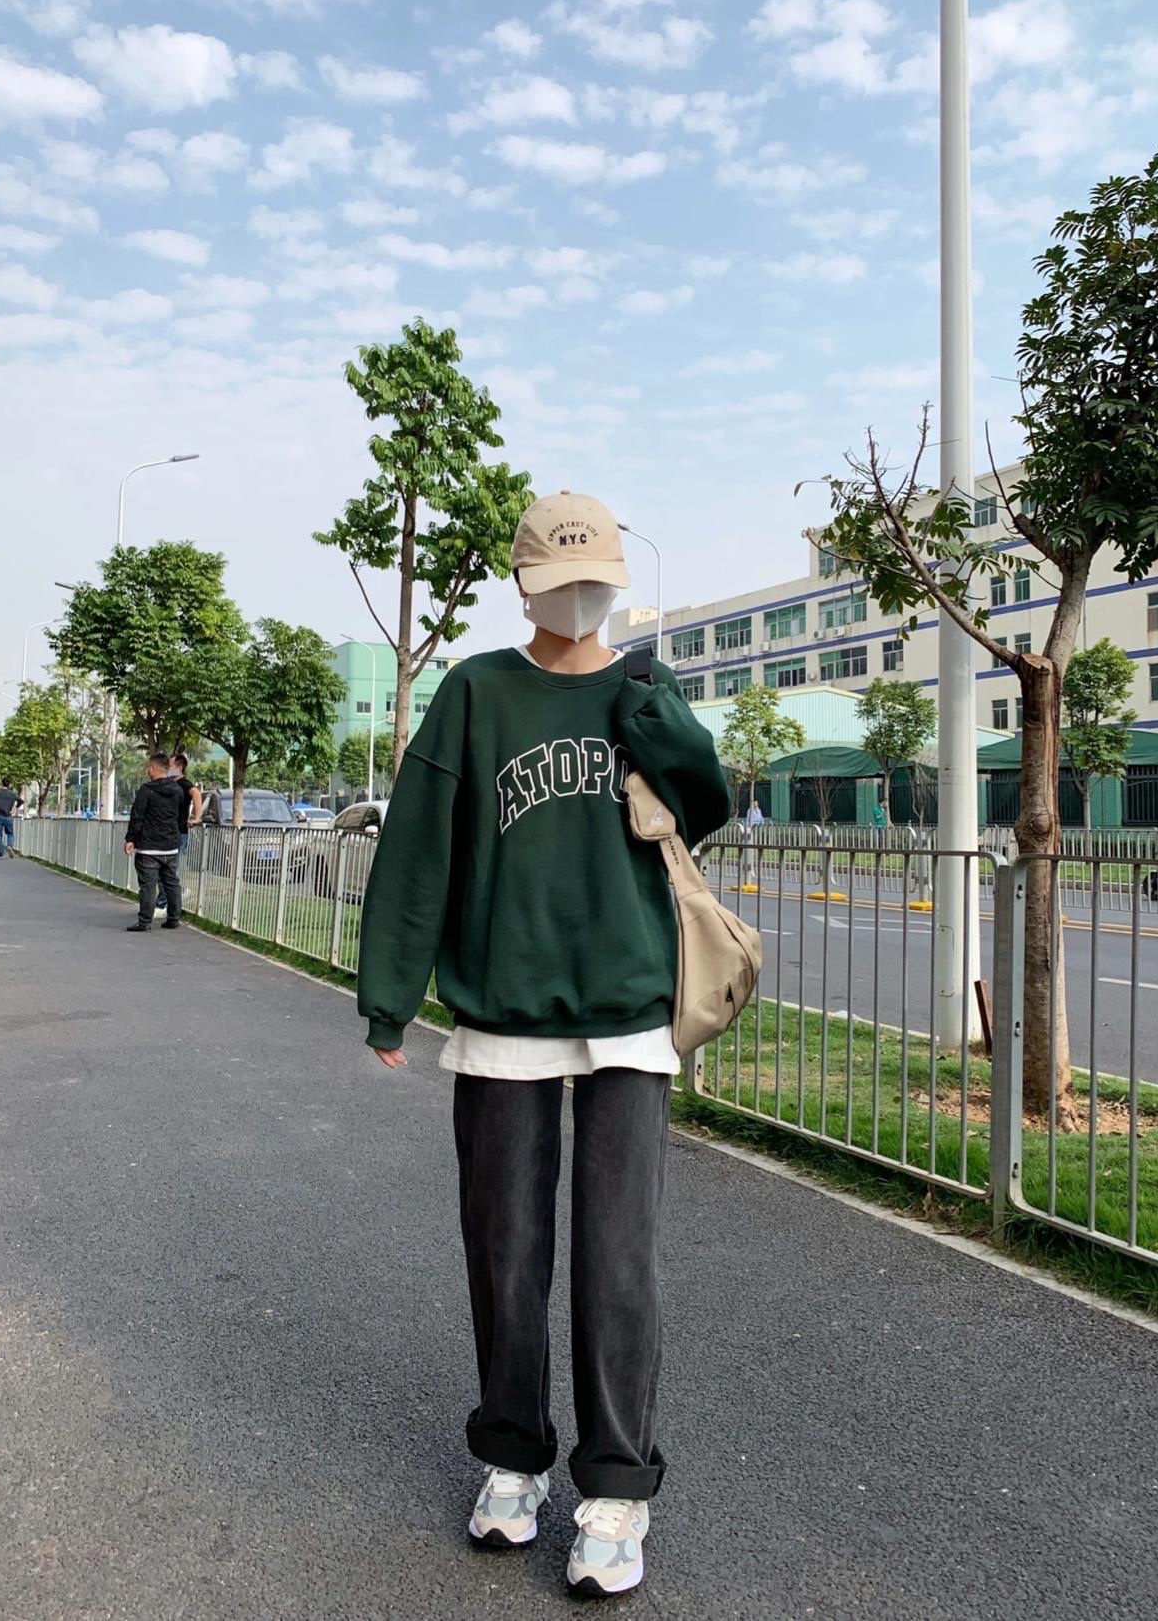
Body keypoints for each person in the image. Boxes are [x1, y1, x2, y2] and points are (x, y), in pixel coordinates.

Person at [357, 491, 731, 1599]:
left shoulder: (644, 687)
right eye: (562, 580)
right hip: (504, 1013)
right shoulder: (475, 691)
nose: (578, 597)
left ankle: (616, 1488)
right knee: (505, 1249)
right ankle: (513, 1456)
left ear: (615, 582)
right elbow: (418, 845)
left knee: (619, 1258)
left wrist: (657, 721)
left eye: (593, 579)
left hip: (629, 1011)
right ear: (525, 584)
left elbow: (708, 805)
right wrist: (390, 996)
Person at [123, 754, 186, 931]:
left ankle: (145, 921)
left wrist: (130, 839)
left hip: (148, 848)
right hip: (170, 846)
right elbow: (181, 816)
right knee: (172, 883)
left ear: (153, 768)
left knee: (148, 886)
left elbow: (137, 816)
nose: (147, 771)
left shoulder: (146, 790)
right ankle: (174, 918)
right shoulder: (177, 790)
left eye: (148, 768)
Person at [155, 751, 202, 913]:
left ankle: (163, 903)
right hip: (165, 832)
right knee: (161, 868)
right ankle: (171, 898)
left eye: (170, 766)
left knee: (168, 869)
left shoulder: (184, 784)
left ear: (179, 767)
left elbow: (196, 793)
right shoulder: (167, 783)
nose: (168, 768)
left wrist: (196, 817)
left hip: (178, 832)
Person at [0, 780, 24, 858]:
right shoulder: (12, 794)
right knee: (10, 833)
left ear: (1, 783)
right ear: (9, 785)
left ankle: (1, 854)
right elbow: (21, 801)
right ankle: (10, 845)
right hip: (9, 816)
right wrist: (14, 809)